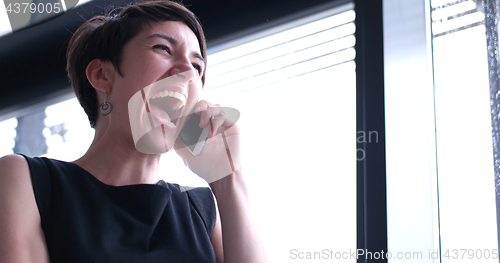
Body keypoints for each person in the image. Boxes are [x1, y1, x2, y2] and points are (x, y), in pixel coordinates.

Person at [0, 1, 268, 262]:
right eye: (163, 48)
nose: (187, 71)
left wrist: (227, 178)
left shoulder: (202, 211)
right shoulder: (27, 180)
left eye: (198, 67)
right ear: (102, 75)